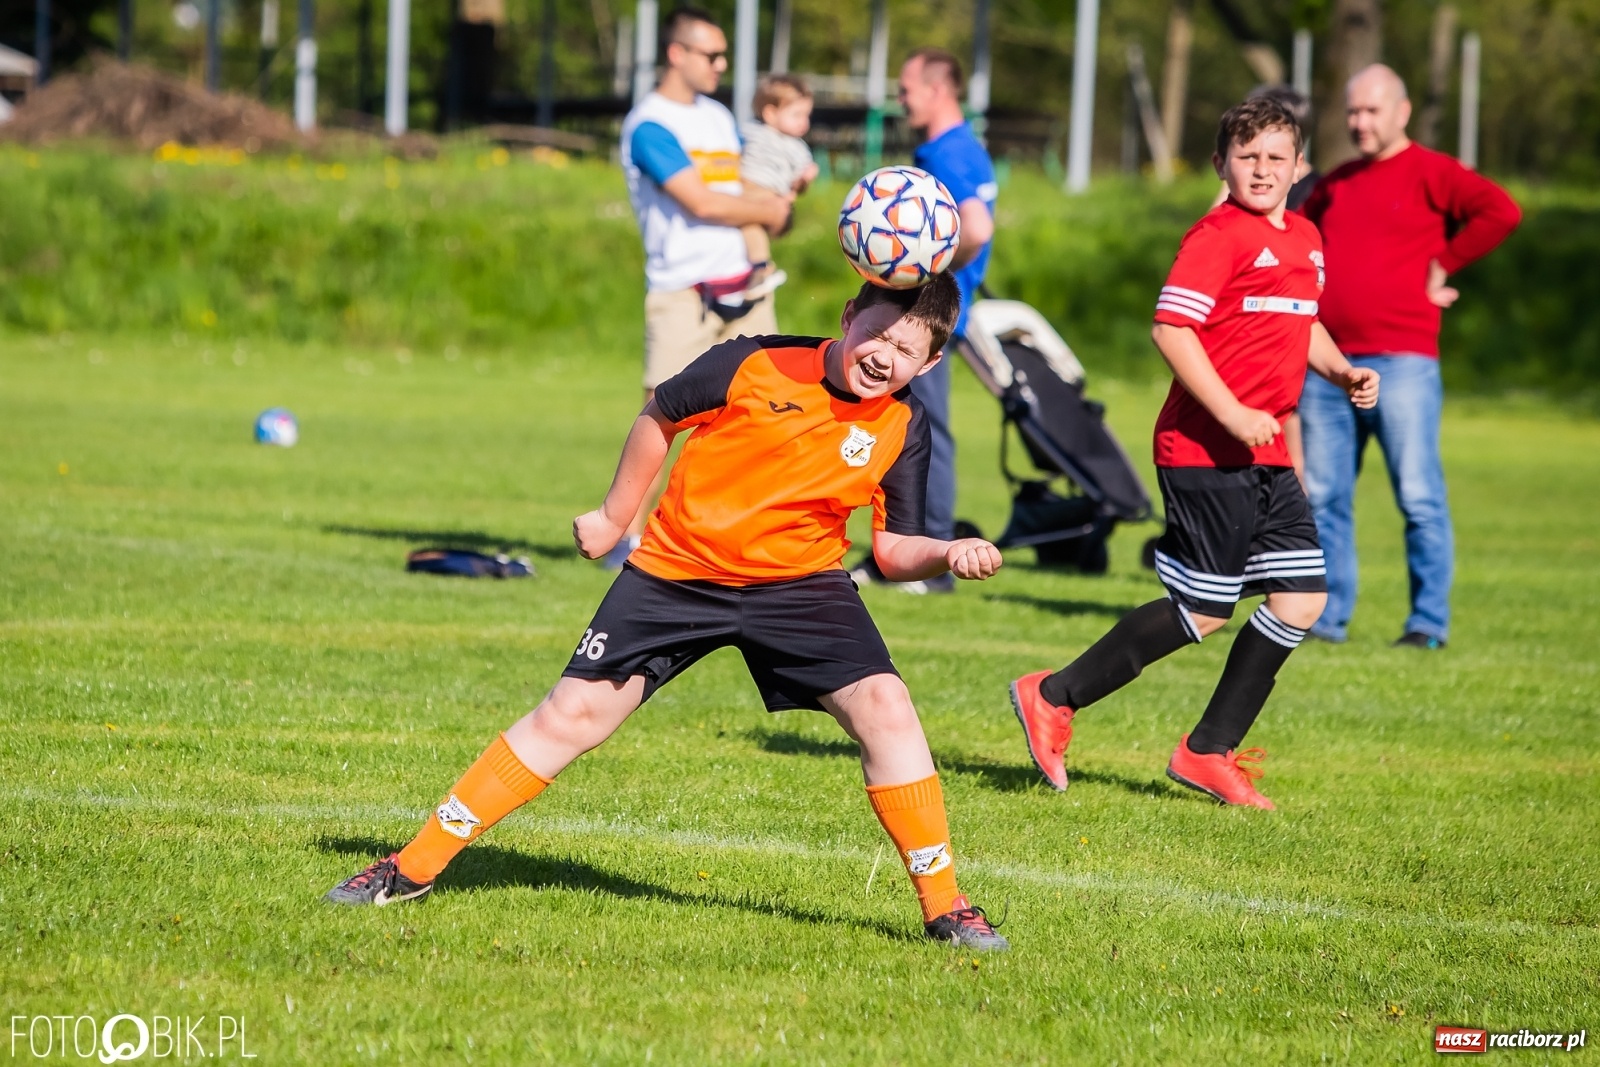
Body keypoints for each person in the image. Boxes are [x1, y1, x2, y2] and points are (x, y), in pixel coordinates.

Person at [325, 274, 1012, 952]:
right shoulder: (755, 361)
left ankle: (945, 906)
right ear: (847, 315)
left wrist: (946, 552)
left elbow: (892, 551)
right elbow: (661, 413)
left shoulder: (903, 420)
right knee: (573, 714)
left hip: (799, 582)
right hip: (679, 569)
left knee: (887, 708)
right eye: (877, 332)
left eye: (906, 349)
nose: (883, 355)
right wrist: (612, 516)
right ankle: (411, 864)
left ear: (931, 362)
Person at [1007, 98, 1380, 809]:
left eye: (1277, 157)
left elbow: (1303, 323)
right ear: (1221, 165)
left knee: (1301, 598)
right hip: (1202, 451)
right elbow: (1171, 331)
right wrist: (1233, 411)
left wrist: (1343, 370)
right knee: (1204, 608)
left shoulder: (1304, 236)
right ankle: (1053, 694)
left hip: (1264, 452)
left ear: (1301, 166)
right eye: (1248, 158)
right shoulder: (1217, 236)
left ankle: (1209, 749)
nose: (1263, 170)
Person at [1298, 64, 1521, 649]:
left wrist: (1444, 262)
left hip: (1403, 361)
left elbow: (1501, 211)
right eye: (1352, 111)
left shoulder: (1433, 172)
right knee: (1324, 496)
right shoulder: (1336, 183)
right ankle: (1325, 617)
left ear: (1401, 112)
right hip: (1328, 366)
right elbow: (1298, 242)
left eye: (1371, 111)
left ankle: (1427, 623)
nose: (1359, 122)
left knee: (1418, 495)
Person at [608, 6, 793, 569]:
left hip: (747, 287)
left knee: (769, 412)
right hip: (682, 292)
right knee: (660, 418)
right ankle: (625, 539)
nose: (721, 64)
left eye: (722, 55)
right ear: (676, 54)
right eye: (711, 54)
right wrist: (766, 206)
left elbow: (761, 184)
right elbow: (703, 201)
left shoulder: (719, 118)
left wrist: (778, 193)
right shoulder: (650, 125)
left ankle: (748, 538)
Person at [854, 47, 996, 595]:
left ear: (937, 90)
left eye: (906, 89)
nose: (901, 99)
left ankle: (925, 556)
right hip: (941, 313)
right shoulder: (969, 148)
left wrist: (925, 267)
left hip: (926, 317)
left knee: (920, 429)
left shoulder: (946, 152)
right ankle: (897, 549)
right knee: (906, 424)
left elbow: (976, 228)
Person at [738, 74, 820, 298]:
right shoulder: (752, 131)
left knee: (750, 225)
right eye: (797, 115)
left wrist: (804, 179)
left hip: (770, 193)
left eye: (806, 115)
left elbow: (797, 187)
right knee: (745, 225)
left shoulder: (798, 148)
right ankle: (755, 269)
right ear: (770, 113)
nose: (804, 122)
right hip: (744, 185)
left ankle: (761, 268)